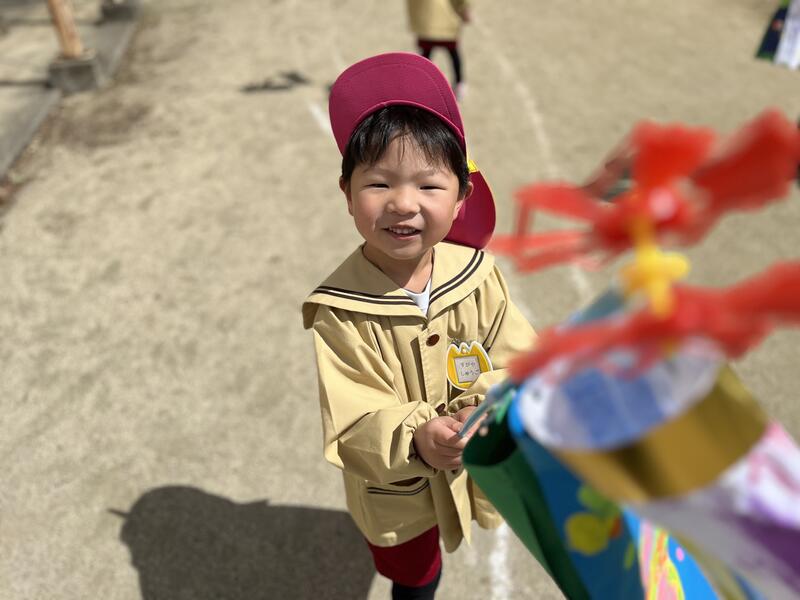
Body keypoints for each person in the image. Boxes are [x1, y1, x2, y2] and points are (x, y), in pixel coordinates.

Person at [302, 52, 536, 599]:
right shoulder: (341, 311)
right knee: (415, 576)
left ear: (462, 197)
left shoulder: (478, 276)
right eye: (379, 183)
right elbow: (353, 420)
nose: (403, 204)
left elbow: (521, 360)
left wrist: (486, 404)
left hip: (468, 465)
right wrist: (415, 438)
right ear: (347, 193)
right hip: (396, 491)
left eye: (429, 186)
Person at [406, 0, 471, 99]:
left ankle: (420, 83)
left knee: (426, 56)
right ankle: (459, 83)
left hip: (427, 22)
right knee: (452, 53)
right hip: (447, 20)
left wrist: (416, 21)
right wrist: (464, 9)